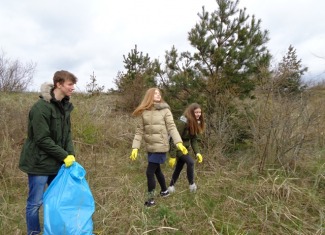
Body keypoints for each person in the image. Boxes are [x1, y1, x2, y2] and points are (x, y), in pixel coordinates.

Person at [19, 70, 78, 235]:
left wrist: (71, 154)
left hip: (56, 164)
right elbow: (42, 139)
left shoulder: (64, 107)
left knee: (55, 201)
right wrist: (64, 155)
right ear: (59, 84)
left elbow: (67, 134)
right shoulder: (41, 108)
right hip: (38, 163)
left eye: (73, 84)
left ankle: (53, 230)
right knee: (35, 203)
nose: (73, 88)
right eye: (70, 84)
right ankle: (33, 232)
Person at [129, 88, 188, 207]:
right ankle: (164, 191)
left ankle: (151, 200)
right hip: (150, 147)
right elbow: (139, 131)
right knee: (157, 170)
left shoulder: (165, 110)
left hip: (161, 146)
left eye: (159, 93)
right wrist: (135, 147)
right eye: (155, 93)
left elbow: (172, 127)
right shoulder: (144, 111)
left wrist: (178, 142)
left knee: (149, 172)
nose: (158, 95)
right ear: (149, 96)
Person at [168, 103, 205, 193]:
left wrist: (198, 153)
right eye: (196, 112)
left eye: (199, 112)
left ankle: (171, 186)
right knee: (190, 162)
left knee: (179, 167)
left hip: (185, 148)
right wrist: (172, 155)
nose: (198, 114)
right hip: (177, 147)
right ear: (191, 112)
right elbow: (174, 137)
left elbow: (194, 140)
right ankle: (192, 185)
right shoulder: (183, 121)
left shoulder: (196, 122)